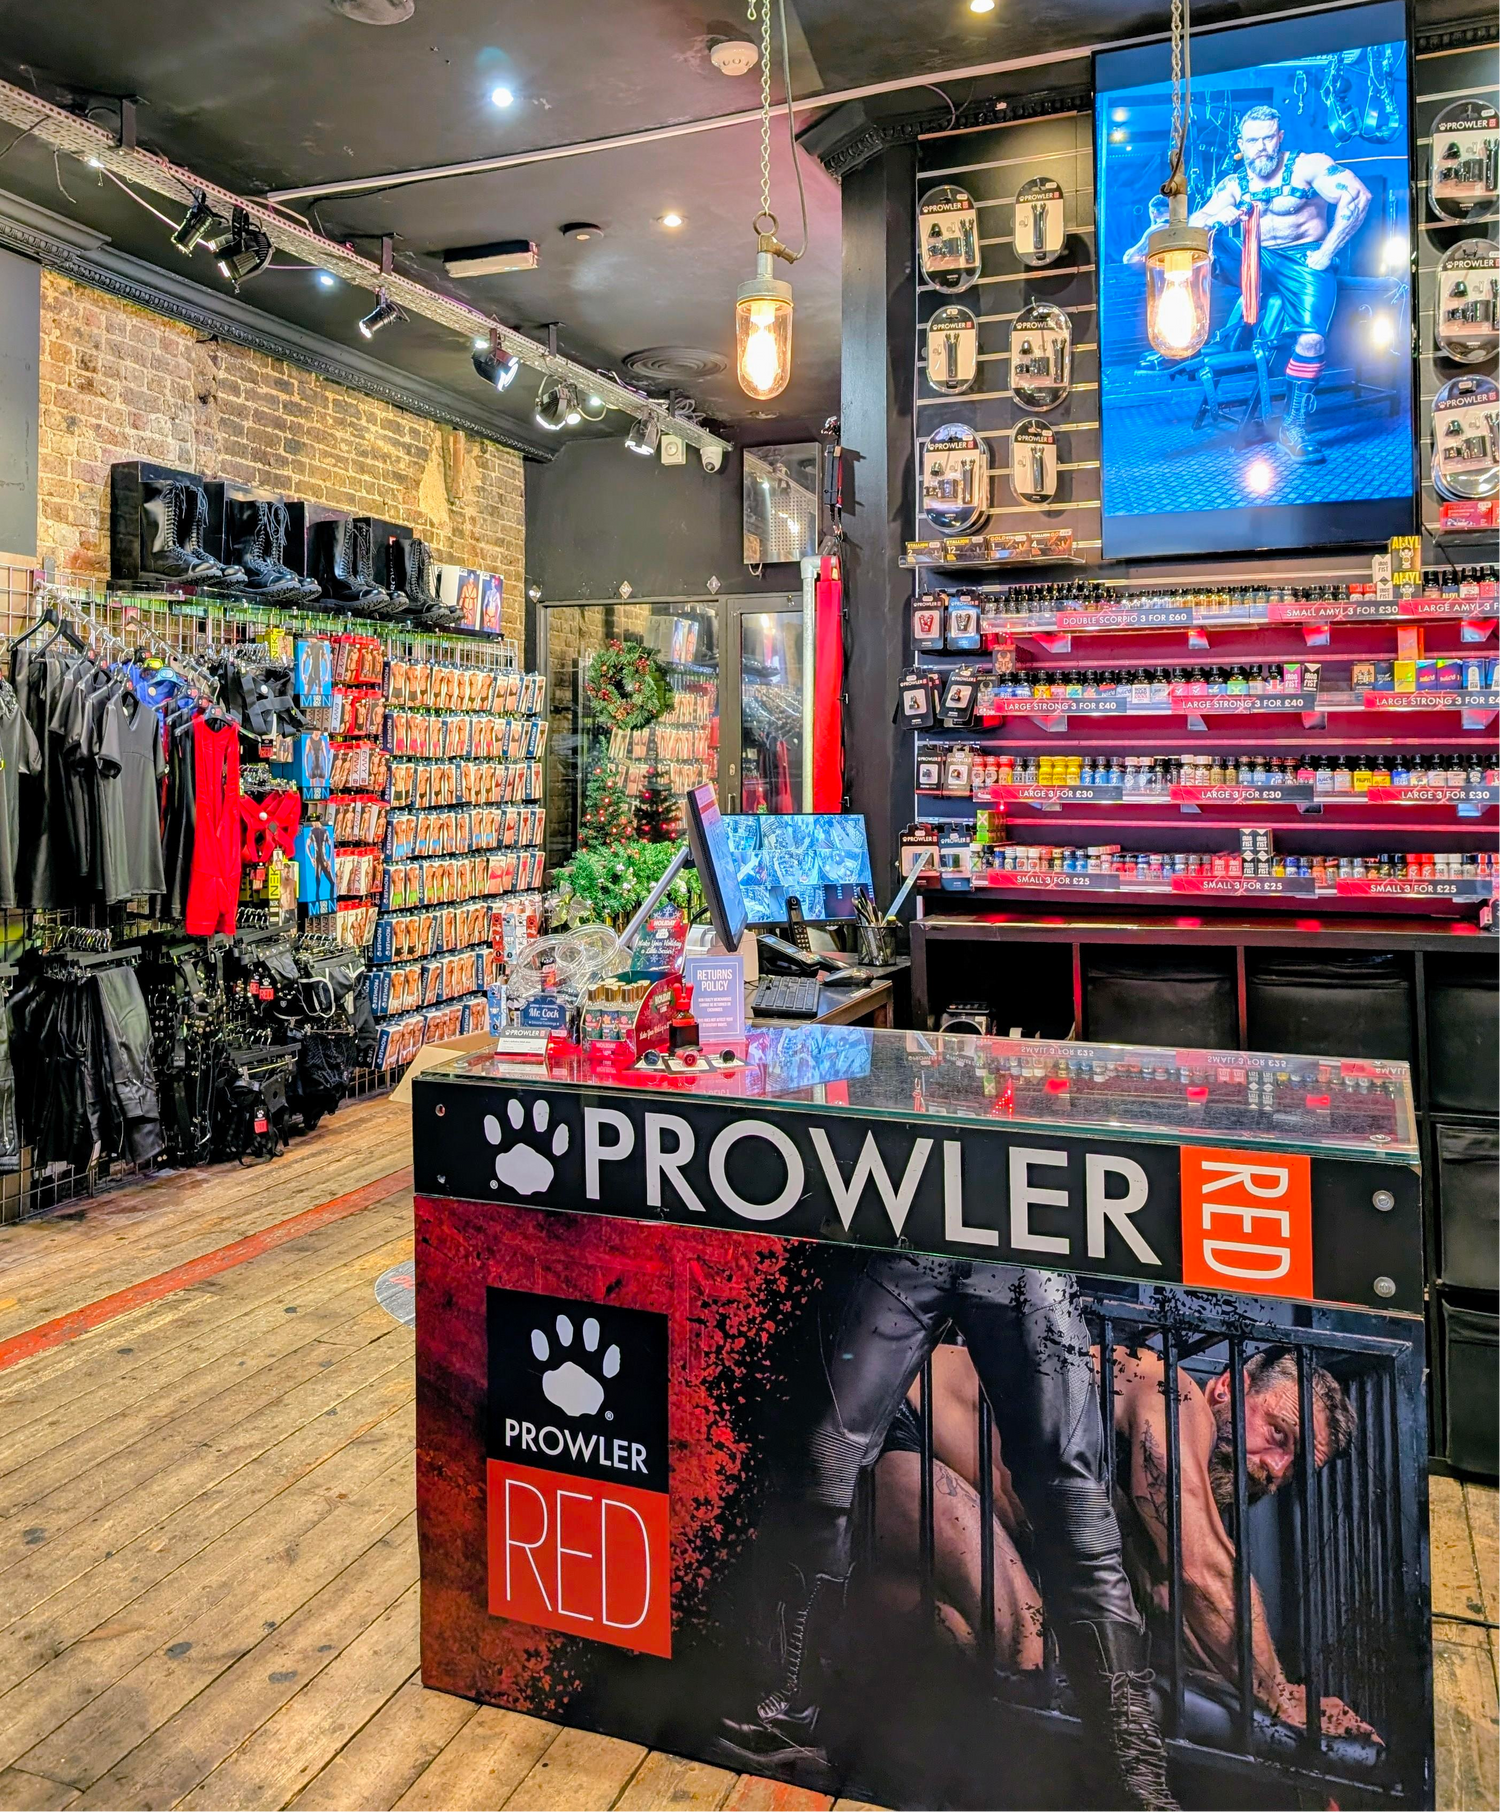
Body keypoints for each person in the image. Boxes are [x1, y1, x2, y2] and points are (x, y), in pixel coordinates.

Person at [718, 1259, 1182, 1812]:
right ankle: (788, 1713)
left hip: (1021, 1243)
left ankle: (1135, 1776)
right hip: (909, 1231)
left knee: (1075, 1500)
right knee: (827, 1457)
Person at [872, 1341, 1378, 1743]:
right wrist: (1283, 1700)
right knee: (1029, 1641)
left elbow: (1175, 1605)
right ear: (1228, 1388)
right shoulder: (1173, 1394)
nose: (1274, 1469)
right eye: (1279, 1434)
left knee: (960, 1646)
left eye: (1294, 1467)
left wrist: (1296, 1720)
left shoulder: (1178, 1485)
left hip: (927, 1477)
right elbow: (1200, 1569)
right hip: (891, 1421)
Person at [1186, 104, 1370, 464]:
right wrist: (1218, 217)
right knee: (1195, 244)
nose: (1261, 147)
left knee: (1312, 340)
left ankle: (1293, 425)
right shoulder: (1234, 183)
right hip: (1254, 259)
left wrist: (1327, 252)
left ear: (1279, 137)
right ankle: (1186, 337)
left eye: (1268, 138)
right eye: (1253, 141)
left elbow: (1358, 195)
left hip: (1302, 258)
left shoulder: (1307, 167)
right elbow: (1197, 219)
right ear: (1241, 144)